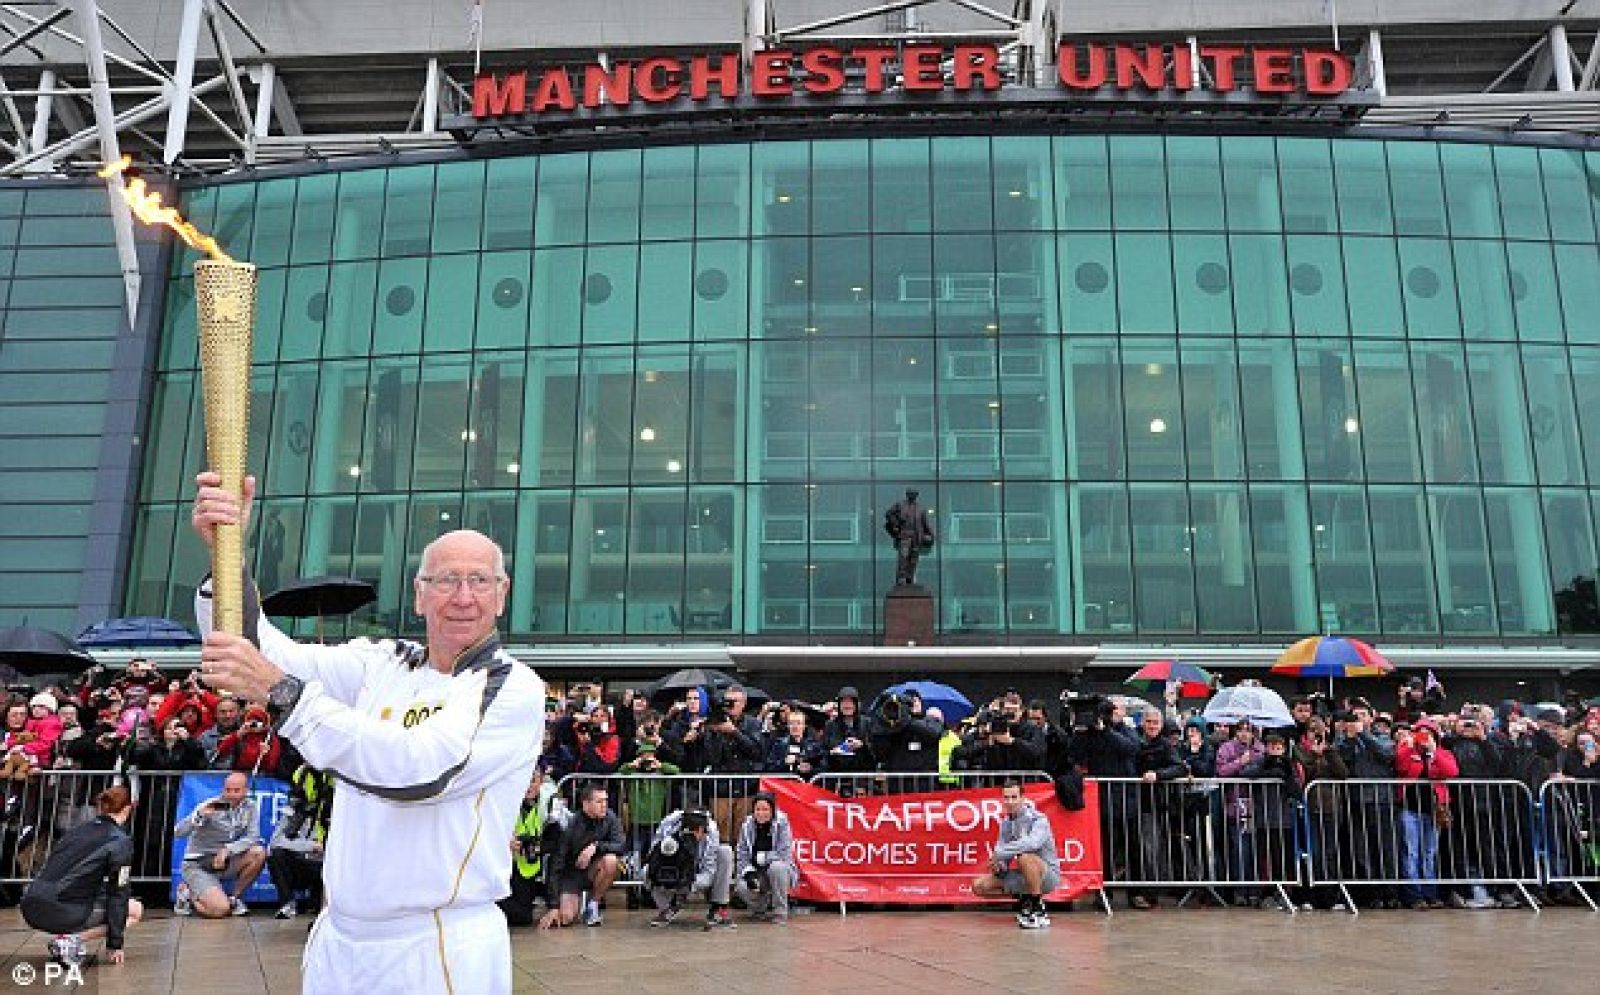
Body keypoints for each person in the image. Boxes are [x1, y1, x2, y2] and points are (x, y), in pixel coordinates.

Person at [190, 470, 545, 993]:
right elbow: (262, 654)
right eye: (446, 580)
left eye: (479, 581)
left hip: (436, 945)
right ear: (420, 594)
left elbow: (421, 770)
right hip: (340, 939)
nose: (463, 596)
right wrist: (226, 555)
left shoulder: (511, 687)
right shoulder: (382, 663)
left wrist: (286, 696)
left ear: (502, 594)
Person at [20, 785, 143, 969]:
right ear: (127, 809)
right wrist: (115, 943)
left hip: (31, 905)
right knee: (135, 910)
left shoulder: (77, 831)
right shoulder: (119, 841)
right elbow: (118, 892)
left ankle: (66, 940)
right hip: (60, 909)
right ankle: (70, 941)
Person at [173, 771, 266, 918]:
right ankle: (187, 894)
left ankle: (234, 899)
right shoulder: (211, 805)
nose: (231, 795)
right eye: (228, 790)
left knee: (258, 853)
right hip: (199, 863)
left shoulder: (250, 807)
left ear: (245, 791)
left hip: (225, 860)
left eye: (236, 790)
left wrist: (228, 850)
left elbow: (253, 837)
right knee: (219, 910)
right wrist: (199, 816)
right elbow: (178, 832)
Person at [971, 779, 1059, 929]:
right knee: (978, 886)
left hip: (1047, 875)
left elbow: (1033, 843)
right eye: (1006, 798)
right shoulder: (1006, 823)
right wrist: (999, 866)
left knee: (1024, 858)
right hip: (1023, 874)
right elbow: (1003, 857)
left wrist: (1001, 853)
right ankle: (1025, 900)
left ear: (1022, 798)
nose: (1010, 802)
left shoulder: (1038, 819)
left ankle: (1038, 909)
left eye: (1014, 797)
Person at [538, 782, 624, 929]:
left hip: (594, 869)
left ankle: (593, 904)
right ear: (586, 804)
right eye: (599, 801)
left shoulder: (610, 817)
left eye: (605, 800)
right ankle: (575, 904)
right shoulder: (570, 826)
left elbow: (621, 845)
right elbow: (556, 865)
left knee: (611, 861)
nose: (604, 805)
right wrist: (553, 905)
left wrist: (596, 847)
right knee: (565, 918)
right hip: (570, 875)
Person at [645, 808, 735, 930]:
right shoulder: (668, 827)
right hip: (672, 869)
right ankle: (667, 908)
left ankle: (718, 906)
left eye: (699, 831)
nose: (697, 834)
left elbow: (708, 873)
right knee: (646, 872)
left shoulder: (712, 833)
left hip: (698, 873)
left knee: (725, 851)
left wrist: (688, 882)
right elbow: (653, 858)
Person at [499, 764, 566, 927]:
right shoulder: (505, 800)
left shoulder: (549, 803)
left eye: (532, 781)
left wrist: (535, 847)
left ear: (541, 781)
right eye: (524, 781)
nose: (527, 786)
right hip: (505, 863)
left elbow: (556, 842)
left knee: (523, 917)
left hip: (529, 865)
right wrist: (504, 842)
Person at [269, 764, 334, 920]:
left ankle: (323, 904)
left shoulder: (335, 811)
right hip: (304, 862)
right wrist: (311, 846)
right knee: (276, 855)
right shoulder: (295, 809)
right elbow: (276, 841)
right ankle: (287, 904)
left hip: (326, 864)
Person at [733, 791, 796, 923]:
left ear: (772, 810)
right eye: (758, 809)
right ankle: (759, 908)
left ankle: (780, 911)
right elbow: (742, 854)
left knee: (777, 868)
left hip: (780, 871)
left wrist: (762, 857)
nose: (761, 813)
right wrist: (748, 873)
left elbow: (783, 854)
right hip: (756, 870)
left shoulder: (782, 824)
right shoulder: (746, 826)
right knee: (741, 886)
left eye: (765, 809)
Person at [883, 487, 936, 587]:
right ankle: (901, 578)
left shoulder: (921, 509)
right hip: (904, 535)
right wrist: (895, 524)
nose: (913, 496)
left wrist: (932, 535)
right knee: (903, 557)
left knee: (914, 558)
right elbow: (888, 514)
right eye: (911, 494)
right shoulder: (900, 505)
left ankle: (910, 578)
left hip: (916, 537)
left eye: (915, 494)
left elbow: (925, 524)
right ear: (907, 495)